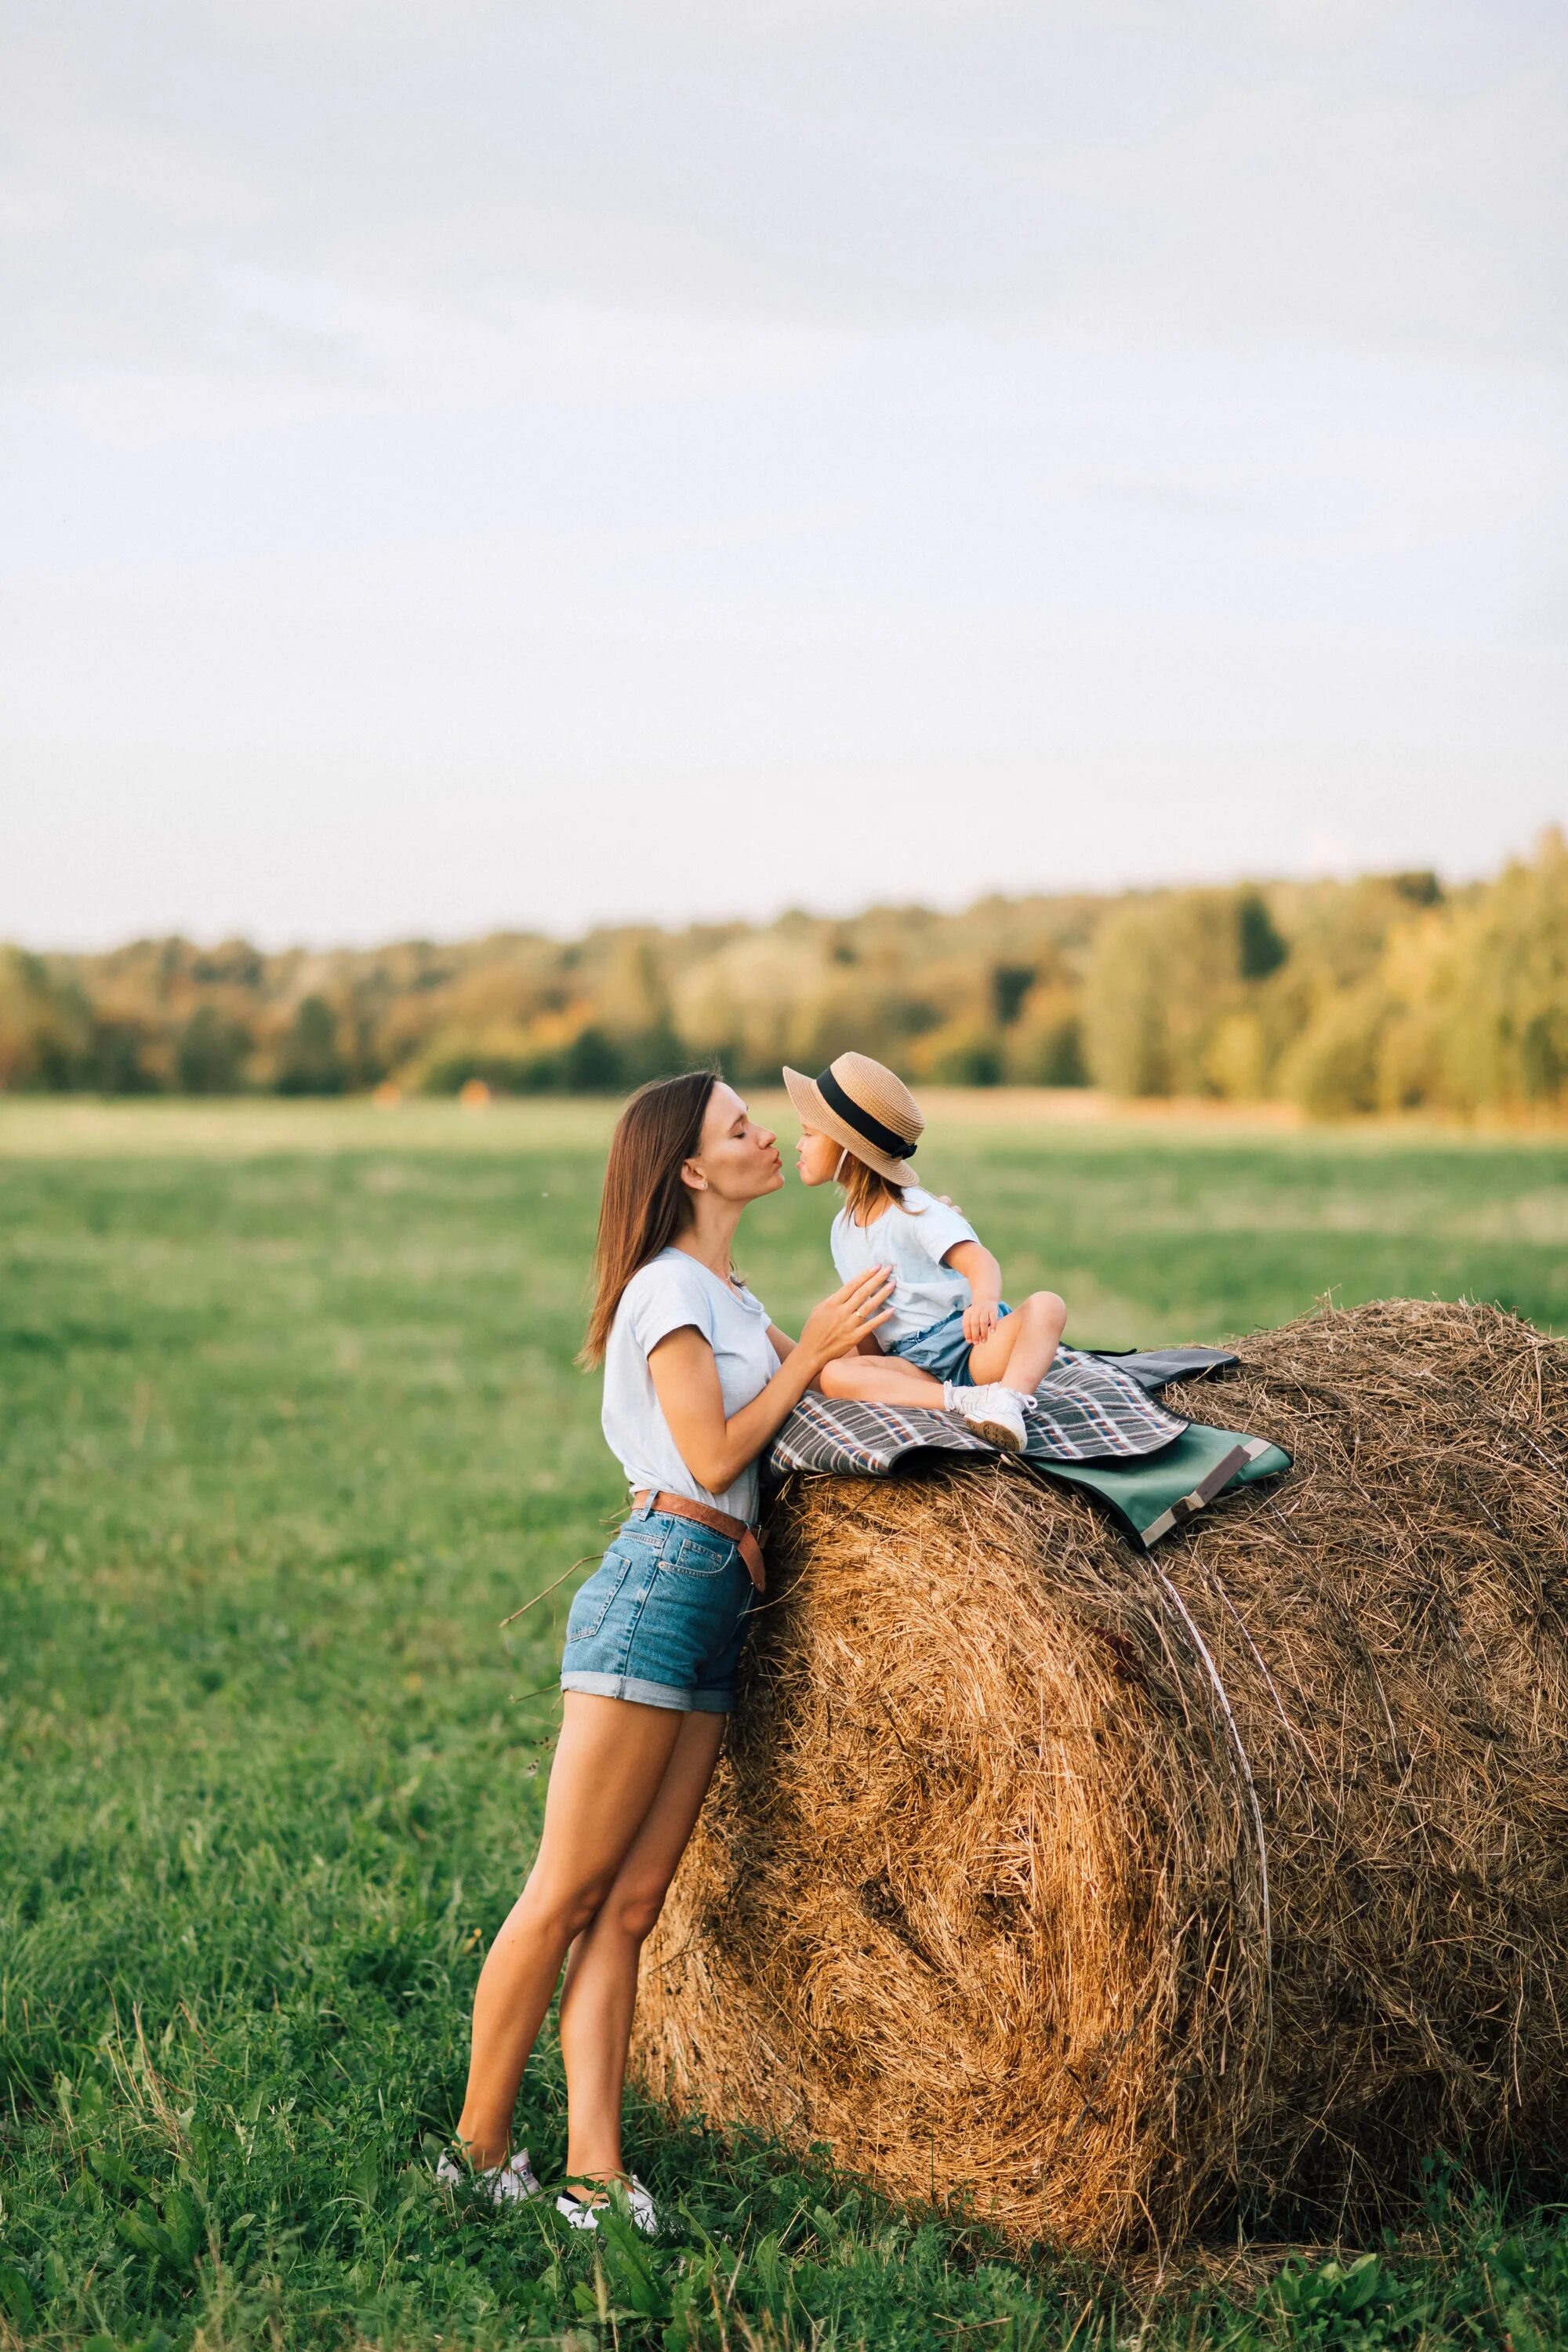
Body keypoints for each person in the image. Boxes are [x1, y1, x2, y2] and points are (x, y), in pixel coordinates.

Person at [442, 1071, 896, 2234]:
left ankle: (595, 2165)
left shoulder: (730, 1292)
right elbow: (708, 1453)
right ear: (692, 1170)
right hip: (657, 1584)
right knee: (566, 1891)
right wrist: (810, 1362)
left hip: (712, 1598)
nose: (763, 1138)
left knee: (634, 1903)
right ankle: (475, 2151)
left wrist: (965, 1386)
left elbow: (833, 1374)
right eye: (740, 1127)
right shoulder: (665, 1293)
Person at [785, 1051, 1068, 1455]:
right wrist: (861, 1358)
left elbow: (978, 1260)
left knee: (1047, 1306)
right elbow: (873, 1318)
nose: (798, 1143)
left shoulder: (915, 1210)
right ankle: (964, 1402)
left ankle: (1008, 1401)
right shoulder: (842, 1229)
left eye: (809, 1133)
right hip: (911, 1363)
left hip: (969, 1347)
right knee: (835, 1375)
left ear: (849, 1147)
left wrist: (984, 1301)